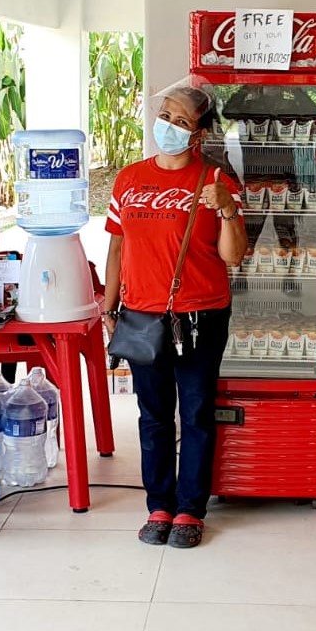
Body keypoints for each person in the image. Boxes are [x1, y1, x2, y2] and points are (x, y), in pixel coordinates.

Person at [103, 81, 248, 549]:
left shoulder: (217, 181)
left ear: (199, 134)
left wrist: (226, 210)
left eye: (181, 121)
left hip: (201, 314)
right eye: (164, 115)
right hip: (142, 314)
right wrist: (108, 306)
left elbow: (233, 256)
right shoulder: (128, 179)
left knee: (198, 412)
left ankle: (190, 508)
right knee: (153, 414)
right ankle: (159, 504)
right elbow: (117, 245)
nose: (166, 126)